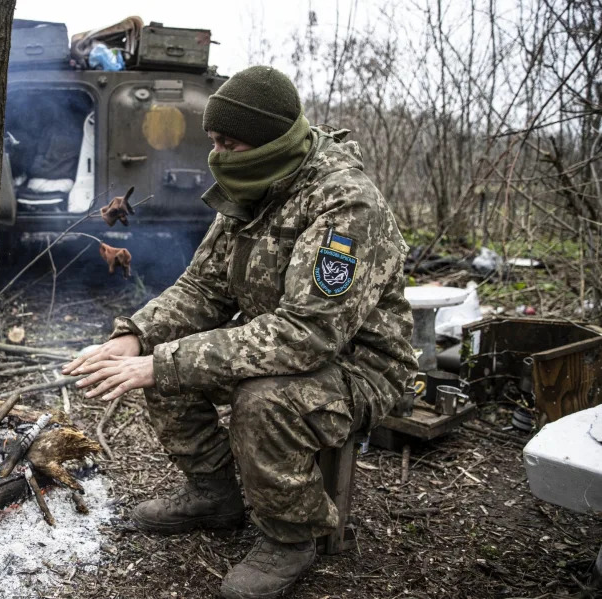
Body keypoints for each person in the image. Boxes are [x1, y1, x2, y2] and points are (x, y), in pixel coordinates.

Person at [63, 65, 418, 599]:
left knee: (261, 398)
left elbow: (307, 334)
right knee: (162, 357)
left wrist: (163, 362)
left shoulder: (346, 205)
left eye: (230, 143)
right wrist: (134, 336)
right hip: (282, 343)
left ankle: (290, 536)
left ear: (270, 139)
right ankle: (214, 496)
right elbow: (202, 289)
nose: (218, 156)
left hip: (359, 365)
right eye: (214, 142)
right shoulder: (250, 187)